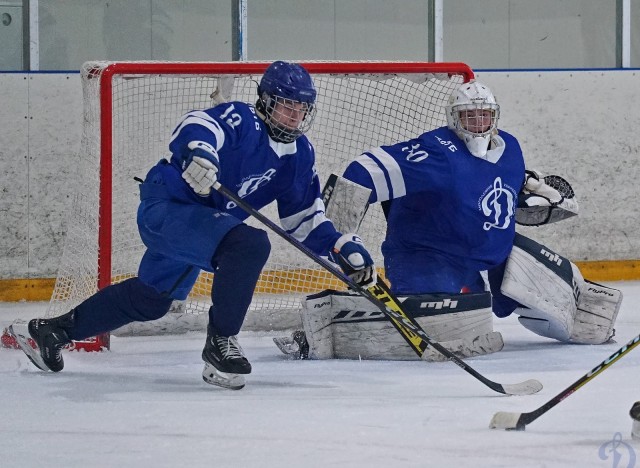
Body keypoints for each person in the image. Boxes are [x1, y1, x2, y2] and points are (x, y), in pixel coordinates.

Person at [11, 61, 376, 390]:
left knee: (152, 299)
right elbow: (198, 124)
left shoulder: (300, 155)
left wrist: (340, 244)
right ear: (266, 101)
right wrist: (200, 152)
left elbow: (303, 220)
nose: (294, 116)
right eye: (286, 105)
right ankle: (221, 343)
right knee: (249, 245)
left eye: (301, 108)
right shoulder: (243, 120)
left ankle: (51, 332)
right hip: (168, 207)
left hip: (204, 228)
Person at [276, 80, 620, 361]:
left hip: (495, 256)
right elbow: (363, 171)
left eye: (484, 116)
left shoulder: (510, 146)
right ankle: (325, 325)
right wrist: (339, 236)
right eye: (469, 116)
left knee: (578, 305)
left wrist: (533, 196)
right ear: (454, 119)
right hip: (429, 255)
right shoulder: (436, 151)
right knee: (442, 328)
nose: (478, 123)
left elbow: (499, 192)